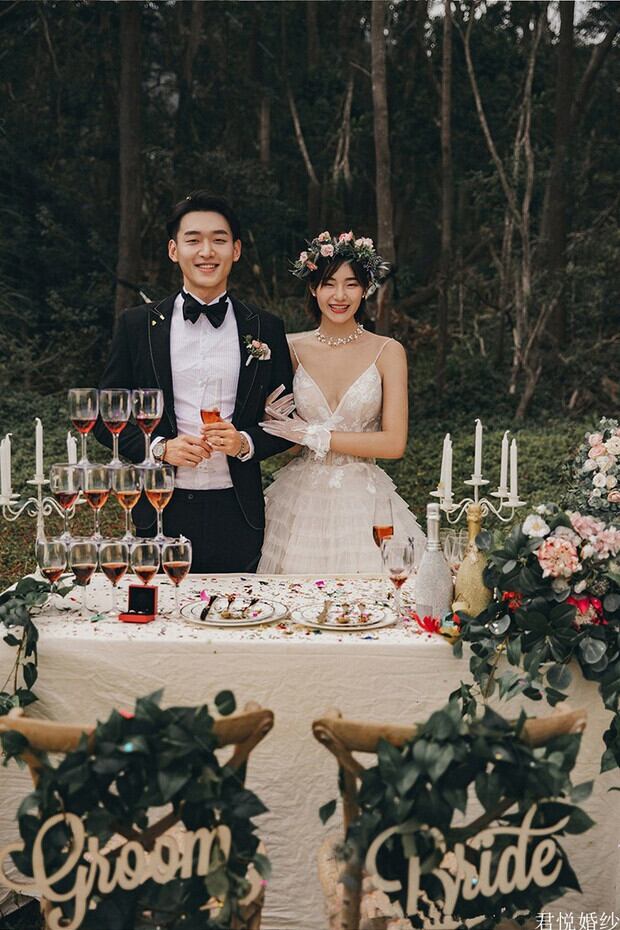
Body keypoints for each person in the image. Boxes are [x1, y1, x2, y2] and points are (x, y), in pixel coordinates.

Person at [94, 191, 293, 573]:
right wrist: (159, 448)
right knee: (159, 609)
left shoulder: (266, 327)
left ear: (236, 250)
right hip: (158, 510)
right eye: (193, 240)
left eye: (219, 240)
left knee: (240, 609)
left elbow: (290, 419)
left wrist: (245, 442)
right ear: (174, 250)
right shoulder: (137, 325)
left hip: (238, 513)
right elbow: (106, 417)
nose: (206, 251)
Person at [256, 231, 425, 574]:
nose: (339, 295)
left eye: (351, 284)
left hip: (365, 499)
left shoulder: (388, 351)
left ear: (365, 289)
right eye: (329, 284)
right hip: (300, 500)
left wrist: (318, 435)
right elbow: (289, 442)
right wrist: (274, 422)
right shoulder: (289, 349)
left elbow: (394, 443)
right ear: (313, 288)